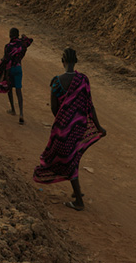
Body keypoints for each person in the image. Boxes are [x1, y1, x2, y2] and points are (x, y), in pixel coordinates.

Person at [33, 48, 106, 211]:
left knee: (64, 159)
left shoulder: (56, 82)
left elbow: (54, 107)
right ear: (76, 61)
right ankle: (77, 191)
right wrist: (99, 127)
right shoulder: (83, 80)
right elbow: (90, 106)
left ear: (62, 61)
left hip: (63, 128)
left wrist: (62, 120)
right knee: (73, 157)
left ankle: (79, 201)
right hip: (79, 127)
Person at [3, 28, 33, 124]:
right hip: (18, 68)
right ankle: (21, 113)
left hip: (10, 69)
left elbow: (6, 60)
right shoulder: (22, 44)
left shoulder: (7, 46)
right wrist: (23, 37)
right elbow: (30, 40)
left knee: (9, 89)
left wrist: (6, 74)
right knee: (19, 91)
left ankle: (12, 109)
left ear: (10, 35)